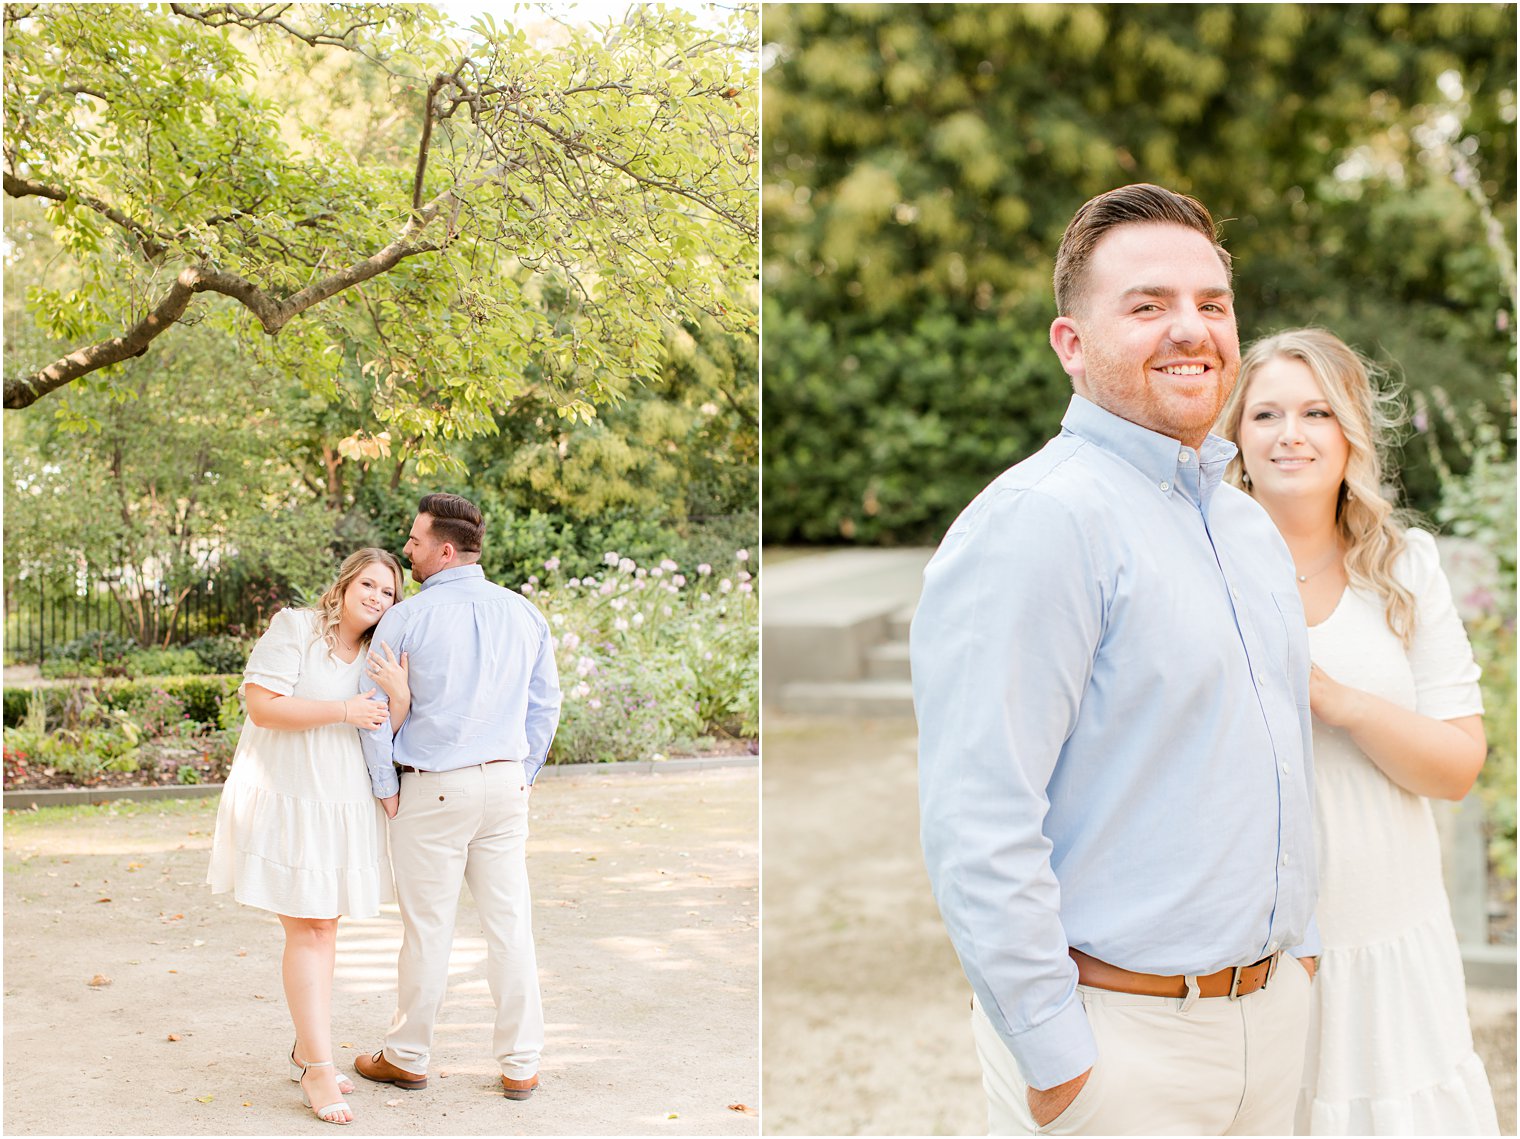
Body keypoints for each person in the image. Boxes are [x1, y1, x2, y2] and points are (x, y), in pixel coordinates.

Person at [911, 183, 1321, 1136]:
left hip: (1269, 1024)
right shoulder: (1038, 523)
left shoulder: (1245, 527)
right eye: (1148, 305)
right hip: (1121, 1045)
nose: (1192, 329)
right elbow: (979, 817)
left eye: (1211, 304)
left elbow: (1282, 761)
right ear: (1071, 343)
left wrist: (1300, 956)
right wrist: (1057, 1058)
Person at [1216, 328, 1499, 1135]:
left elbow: (1455, 766)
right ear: (1237, 433)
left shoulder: (1406, 568)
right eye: (1265, 413)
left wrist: (1341, 703)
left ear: (1352, 433)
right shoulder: (1205, 568)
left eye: (1315, 412)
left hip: (1389, 933)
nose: (1290, 433)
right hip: (1255, 948)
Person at [351, 492, 562, 1101]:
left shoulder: (407, 618)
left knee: (427, 929)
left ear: (444, 550)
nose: (407, 550)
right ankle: (521, 1064)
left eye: (415, 542)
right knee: (510, 926)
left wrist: (385, 785)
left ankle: (407, 1055)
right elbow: (545, 705)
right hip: (503, 786)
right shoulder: (524, 613)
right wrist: (522, 770)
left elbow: (374, 711)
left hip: (434, 789)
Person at [207, 547, 411, 1126]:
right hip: (291, 797)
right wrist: (343, 709)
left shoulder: (381, 654)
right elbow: (263, 707)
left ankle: (307, 1049)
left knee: (326, 926)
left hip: (343, 801)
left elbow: (383, 733)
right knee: (312, 926)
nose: (377, 597)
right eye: (369, 584)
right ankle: (318, 1067)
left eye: (389, 592)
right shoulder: (294, 627)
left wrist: (397, 697)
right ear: (345, 584)